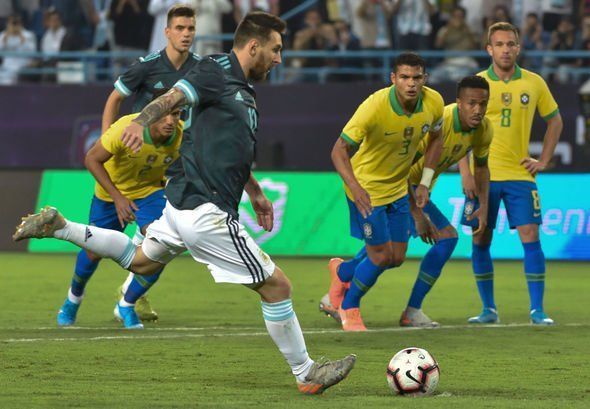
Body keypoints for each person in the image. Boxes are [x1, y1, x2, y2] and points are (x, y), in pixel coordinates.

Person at [14, 11, 356, 394]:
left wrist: (255, 191)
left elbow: (233, 151)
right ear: (254, 46)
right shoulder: (216, 70)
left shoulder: (242, 89)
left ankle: (62, 227)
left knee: (139, 259)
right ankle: (306, 373)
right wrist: (138, 121)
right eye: (275, 50)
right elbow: (172, 97)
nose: (279, 58)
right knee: (277, 287)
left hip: (179, 207)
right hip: (205, 211)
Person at [319, 52, 445, 332]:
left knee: (396, 257)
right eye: (404, 77)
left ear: (424, 78)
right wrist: (355, 187)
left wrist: (424, 181)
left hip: (398, 189)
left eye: (416, 77)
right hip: (367, 190)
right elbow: (338, 150)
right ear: (393, 79)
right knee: (378, 256)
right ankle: (348, 307)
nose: (411, 84)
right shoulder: (374, 106)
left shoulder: (434, 102)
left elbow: (437, 138)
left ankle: (341, 272)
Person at [458, 22, 563, 325]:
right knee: (480, 238)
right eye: (500, 44)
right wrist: (464, 171)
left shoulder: (533, 83)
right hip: (482, 176)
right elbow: (460, 129)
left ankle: (538, 310)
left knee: (531, 236)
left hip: (519, 175)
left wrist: (543, 160)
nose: (506, 49)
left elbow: (555, 121)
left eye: (511, 44)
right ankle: (488, 309)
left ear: (518, 47)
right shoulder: (475, 83)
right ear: (489, 49)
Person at [101, 4, 199, 322]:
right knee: (160, 236)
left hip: (177, 154)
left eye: (191, 29)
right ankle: (129, 296)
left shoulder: (200, 69)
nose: (186, 34)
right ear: (167, 31)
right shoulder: (148, 66)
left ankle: (131, 293)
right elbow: (115, 98)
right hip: (143, 159)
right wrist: (108, 139)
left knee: (167, 238)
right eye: (180, 28)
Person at [55, 95, 183, 329]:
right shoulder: (125, 128)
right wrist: (118, 198)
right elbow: (92, 159)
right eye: (164, 114)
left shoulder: (182, 136)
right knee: (93, 252)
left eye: (175, 114)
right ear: (150, 113)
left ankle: (126, 304)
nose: (170, 121)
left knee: (162, 245)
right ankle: (73, 300)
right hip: (110, 194)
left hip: (149, 193)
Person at [400, 75, 493, 327]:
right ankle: (343, 289)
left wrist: (483, 206)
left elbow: (482, 168)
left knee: (384, 251)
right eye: (472, 103)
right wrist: (417, 212)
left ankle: (340, 286)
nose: (478, 110)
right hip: (399, 185)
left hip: (418, 191)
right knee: (387, 252)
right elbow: (402, 165)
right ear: (459, 103)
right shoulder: (439, 123)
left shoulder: (484, 129)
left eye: (483, 104)